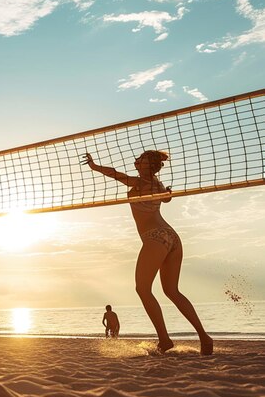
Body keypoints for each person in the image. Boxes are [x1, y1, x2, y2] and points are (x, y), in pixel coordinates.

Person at [84, 150, 213, 355]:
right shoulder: (158, 185)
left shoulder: (138, 182)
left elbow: (115, 174)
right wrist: (168, 194)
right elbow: (167, 199)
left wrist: (94, 166)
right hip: (172, 237)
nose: (136, 159)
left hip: (155, 236)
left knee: (143, 289)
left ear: (148, 165)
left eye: (141, 158)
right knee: (172, 291)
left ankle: (164, 340)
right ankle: (204, 337)